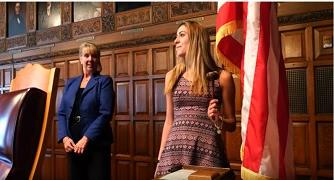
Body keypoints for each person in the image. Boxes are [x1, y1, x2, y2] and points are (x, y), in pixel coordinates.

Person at [155, 21, 236, 177]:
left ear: (196, 40)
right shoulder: (172, 76)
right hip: (174, 154)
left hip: (208, 154)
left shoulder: (222, 77)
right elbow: (169, 121)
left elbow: (232, 124)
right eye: (176, 36)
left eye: (181, 35)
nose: (175, 41)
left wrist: (218, 120)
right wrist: (160, 159)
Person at [57, 42, 114, 180]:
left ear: (97, 59)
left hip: (96, 145)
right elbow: (62, 113)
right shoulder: (71, 82)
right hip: (73, 145)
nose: (90, 59)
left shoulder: (104, 81)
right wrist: (64, 137)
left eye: (94, 56)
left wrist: (86, 138)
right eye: (86, 55)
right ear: (80, 58)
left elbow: (105, 113)